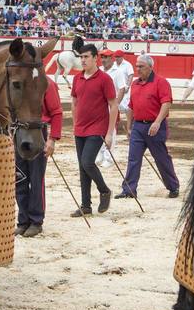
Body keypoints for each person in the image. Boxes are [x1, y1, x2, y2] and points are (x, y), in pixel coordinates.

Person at [117, 53, 180, 200]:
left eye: (141, 66)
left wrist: (157, 122)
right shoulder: (135, 84)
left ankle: (173, 186)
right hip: (138, 127)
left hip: (155, 126)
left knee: (161, 158)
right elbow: (131, 107)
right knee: (133, 158)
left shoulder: (161, 82)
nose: (138, 69)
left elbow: (166, 103)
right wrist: (129, 126)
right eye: (137, 66)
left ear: (150, 67)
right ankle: (129, 190)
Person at [70, 43, 117, 218]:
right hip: (80, 128)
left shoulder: (104, 79)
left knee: (87, 162)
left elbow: (113, 105)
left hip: (97, 127)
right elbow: (74, 102)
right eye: (81, 57)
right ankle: (86, 205)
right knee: (82, 167)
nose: (82, 60)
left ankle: (104, 190)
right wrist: (75, 123)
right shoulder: (77, 78)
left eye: (86, 57)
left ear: (95, 58)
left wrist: (110, 132)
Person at [16, 77, 62, 237]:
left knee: (36, 179)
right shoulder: (18, 82)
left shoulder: (47, 84)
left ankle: (36, 220)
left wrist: (52, 139)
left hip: (38, 132)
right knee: (20, 179)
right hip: (19, 132)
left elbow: (57, 112)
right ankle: (23, 220)